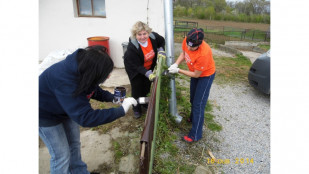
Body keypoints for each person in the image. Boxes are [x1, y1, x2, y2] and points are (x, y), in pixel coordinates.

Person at [39, 45, 137, 174]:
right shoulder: (65, 81)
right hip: (45, 114)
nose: (108, 77)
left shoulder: (84, 69)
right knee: (61, 155)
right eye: (106, 74)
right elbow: (85, 117)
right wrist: (121, 111)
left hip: (65, 109)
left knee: (74, 145)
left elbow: (92, 88)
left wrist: (113, 98)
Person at [168, 28, 216, 143]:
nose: (189, 48)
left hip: (205, 76)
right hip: (195, 73)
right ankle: (194, 118)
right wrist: (176, 63)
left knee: (198, 104)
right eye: (188, 45)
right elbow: (184, 53)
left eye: (192, 47)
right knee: (192, 99)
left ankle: (196, 135)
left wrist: (178, 70)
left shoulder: (204, 53)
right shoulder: (188, 40)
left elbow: (196, 74)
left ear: (199, 45)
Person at [124, 21, 166, 118]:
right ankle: (136, 107)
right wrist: (147, 73)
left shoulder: (153, 37)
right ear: (135, 35)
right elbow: (136, 65)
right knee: (137, 88)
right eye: (139, 34)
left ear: (148, 33)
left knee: (146, 86)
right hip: (134, 69)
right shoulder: (132, 47)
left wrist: (161, 50)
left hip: (148, 66)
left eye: (144, 34)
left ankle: (143, 103)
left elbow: (162, 41)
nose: (143, 37)